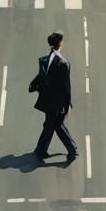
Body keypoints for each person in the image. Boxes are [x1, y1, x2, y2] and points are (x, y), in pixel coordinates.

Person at [29, 30, 78, 161]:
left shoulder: (44, 60)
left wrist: (33, 85)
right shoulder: (63, 63)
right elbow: (66, 87)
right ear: (60, 43)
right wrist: (68, 105)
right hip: (57, 102)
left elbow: (41, 75)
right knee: (56, 125)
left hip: (47, 100)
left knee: (50, 124)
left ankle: (41, 150)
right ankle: (71, 150)